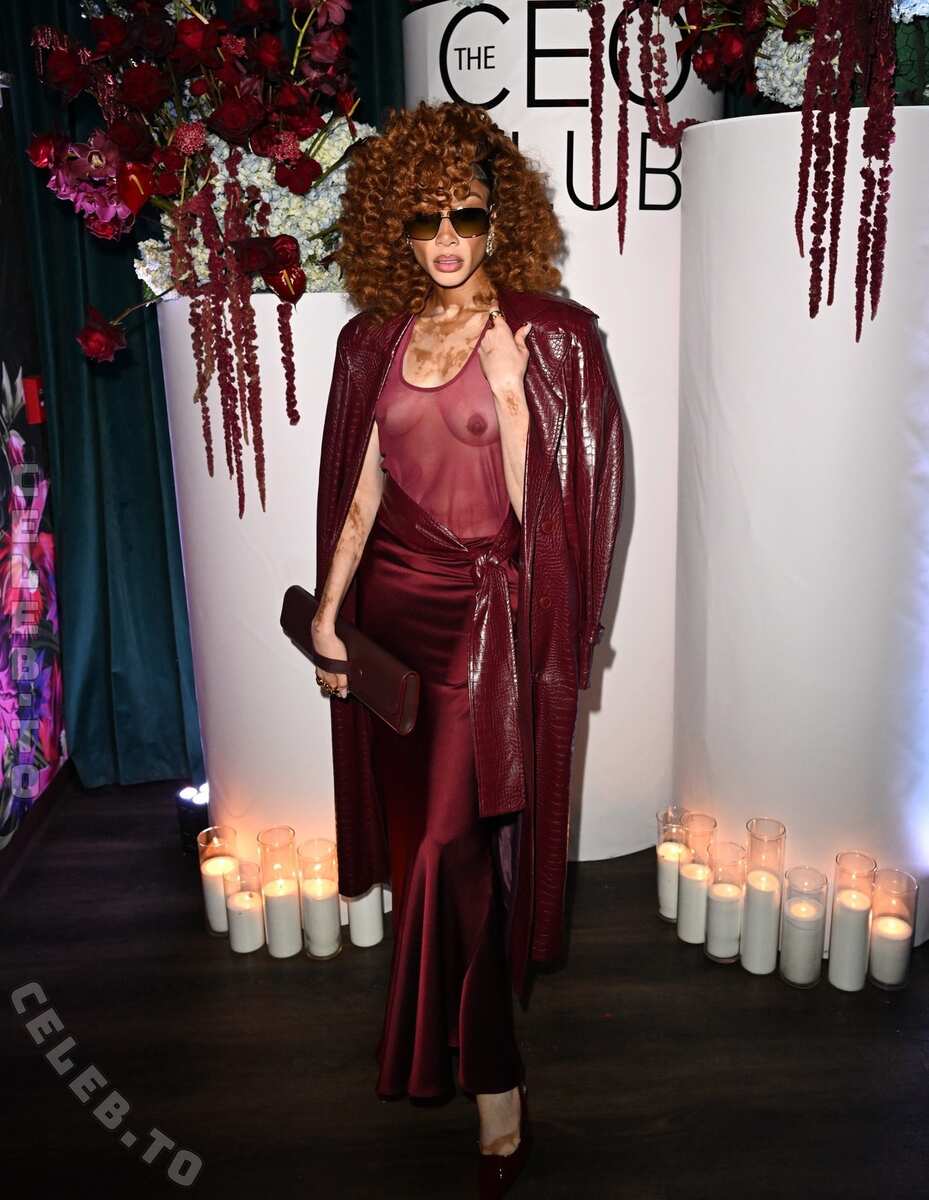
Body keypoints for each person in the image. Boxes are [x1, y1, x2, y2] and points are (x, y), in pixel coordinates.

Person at [310, 100, 624, 1196]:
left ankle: (493, 1083)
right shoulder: (374, 342)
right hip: (392, 622)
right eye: (423, 220)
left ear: (500, 219)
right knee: (427, 859)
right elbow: (359, 491)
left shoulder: (547, 336)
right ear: (392, 229)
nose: (445, 238)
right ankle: (460, 1048)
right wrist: (328, 616)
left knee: (453, 851)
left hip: (484, 625)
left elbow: (556, 520)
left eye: (466, 215)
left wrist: (510, 397)